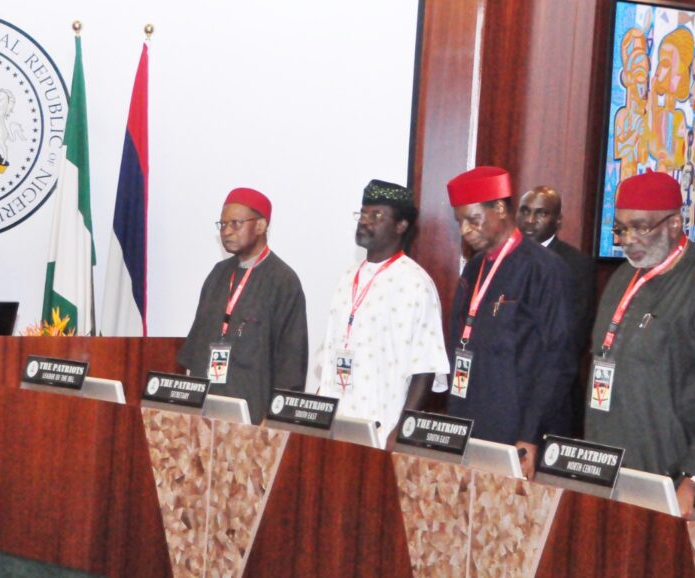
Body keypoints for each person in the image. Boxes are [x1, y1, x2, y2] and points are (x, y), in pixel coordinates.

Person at [586, 171, 695, 519]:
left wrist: (693, 478)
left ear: (675, 223)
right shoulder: (622, 277)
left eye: (640, 227)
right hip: (604, 466)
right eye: (621, 228)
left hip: (668, 476)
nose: (628, 239)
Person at [446, 166, 574, 479]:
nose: (465, 230)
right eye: (459, 221)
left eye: (473, 219)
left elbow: (558, 360)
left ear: (500, 209)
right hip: (468, 418)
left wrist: (529, 436)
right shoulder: (473, 269)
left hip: (516, 429)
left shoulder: (544, 269)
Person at [308, 180, 449, 448]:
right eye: (362, 213)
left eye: (376, 215)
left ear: (401, 226)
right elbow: (331, 352)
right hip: (333, 424)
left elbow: (425, 368)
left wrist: (402, 431)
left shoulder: (415, 283)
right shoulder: (348, 276)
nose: (364, 221)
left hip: (382, 428)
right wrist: (316, 412)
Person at [178, 187, 307, 423]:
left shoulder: (283, 281)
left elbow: (291, 361)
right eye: (223, 225)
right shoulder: (218, 275)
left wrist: (275, 419)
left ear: (260, 226)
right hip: (205, 412)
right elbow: (195, 348)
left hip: (254, 418)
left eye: (236, 224)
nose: (227, 232)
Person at [517, 185, 595, 436]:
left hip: (551, 393)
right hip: (506, 389)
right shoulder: (504, 259)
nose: (530, 221)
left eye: (541, 214)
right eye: (525, 211)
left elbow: (572, 337)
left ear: (558, 220)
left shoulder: (575, 265)